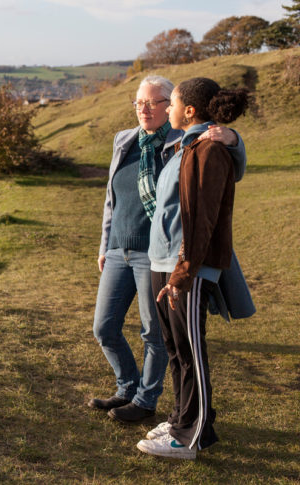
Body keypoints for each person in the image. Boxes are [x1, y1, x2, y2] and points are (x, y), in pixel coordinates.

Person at [89, 75, 246, 424]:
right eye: (138, 103)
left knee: (155, 334)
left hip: (157, 254)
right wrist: (105, 244)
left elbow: (226, 156)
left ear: (171, 107)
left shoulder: (184, 139)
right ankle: (126, 387)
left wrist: (234, 138)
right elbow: (111, 200)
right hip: (118, 249)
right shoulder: (123, 140)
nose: (143, 109)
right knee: (104, 328)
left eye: (154, 102)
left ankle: (146, 401)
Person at [136, 77, 251, 459]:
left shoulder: (209, 149)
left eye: (172, 103)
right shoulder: (183, 146)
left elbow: (200, 218)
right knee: (176, 350)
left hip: (186, 266)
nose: (165, 108)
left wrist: (182, 274)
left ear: (188, 110)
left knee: (192, 350)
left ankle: (192, 436)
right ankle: (182, 418)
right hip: (163, 260)